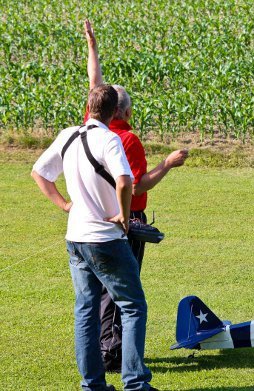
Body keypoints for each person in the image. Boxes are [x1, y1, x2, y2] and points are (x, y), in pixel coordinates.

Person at [32, 84, 157, 390]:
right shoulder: (110, 139)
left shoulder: (68, 135)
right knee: (132, 306)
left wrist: (64, 204)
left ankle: (92, 385)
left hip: (75, 237)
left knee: (86, 310)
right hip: (105, 237)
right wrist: (124, 217)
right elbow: (126, 181)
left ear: (89, 106)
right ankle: (135, 382)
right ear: (116, 111)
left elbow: (39, 172)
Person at [84, 20, 188, 372]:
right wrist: (169, 163)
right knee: (123, 293)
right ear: (125, 111)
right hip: (124, 221)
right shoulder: (127, 140)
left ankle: (100, 350)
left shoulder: (91, 127)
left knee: (96, 292)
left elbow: (94, 84)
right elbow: (138, 184)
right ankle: (114, 353)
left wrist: (92, 48)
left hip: (89, 221)